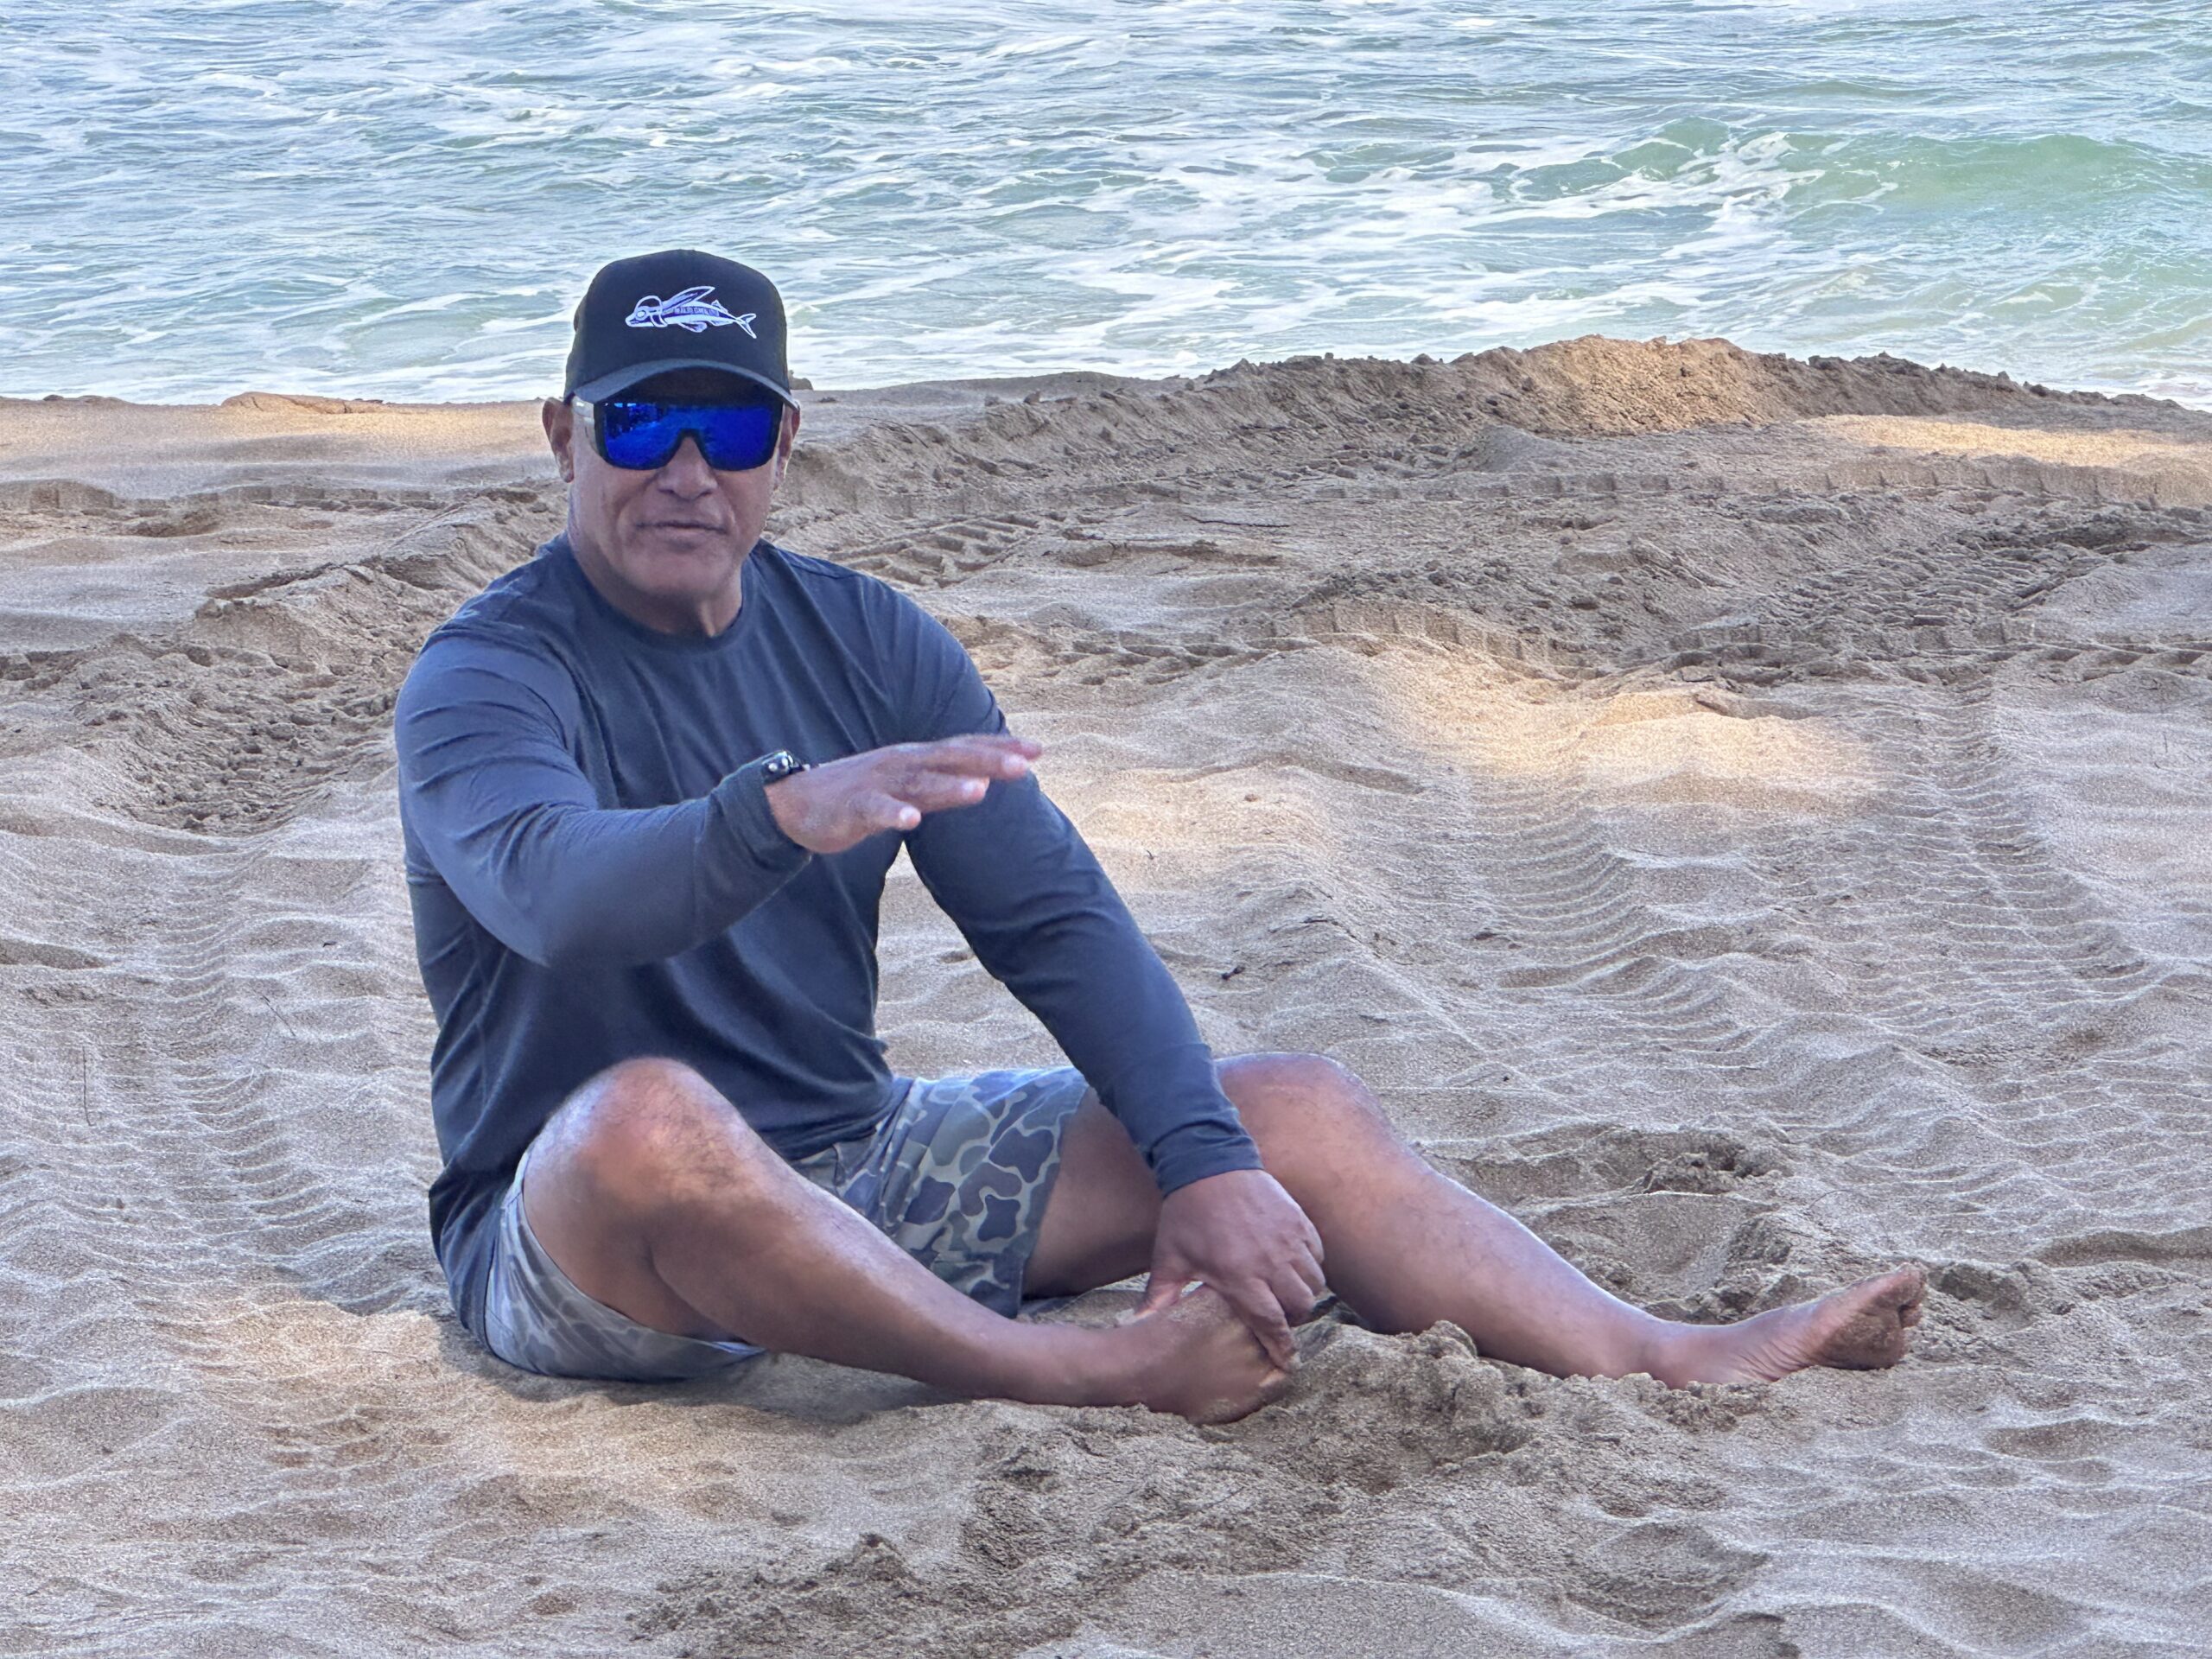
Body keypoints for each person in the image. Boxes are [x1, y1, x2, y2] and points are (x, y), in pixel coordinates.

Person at [393, 249, 1925, 1423]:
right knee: (646, 1116)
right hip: (578, 1240)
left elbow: (1049, 917)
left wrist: (1202, 1168)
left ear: (784, 443)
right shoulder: (486, 674)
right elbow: (552, 895)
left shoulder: (867, 641)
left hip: (845, 1167)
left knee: (1295, 1111)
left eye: (725, 427)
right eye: (641, 421)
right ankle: (1079, 1377)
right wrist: (771, 817)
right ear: (563, 435)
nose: (685, 469)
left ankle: (1664, 1357)